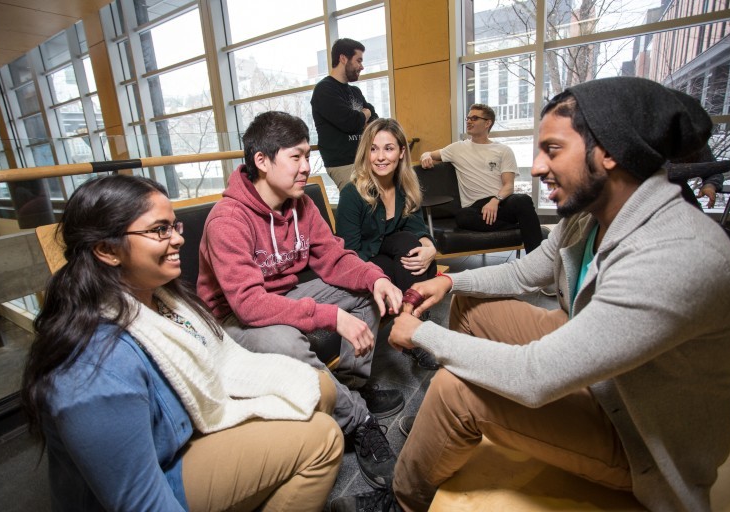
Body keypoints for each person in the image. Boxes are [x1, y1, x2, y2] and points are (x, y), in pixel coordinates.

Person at [371, 77, 730, 512]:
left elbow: (536, 376)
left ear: (608, 152)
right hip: (599, 365)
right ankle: (445, 427)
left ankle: (405, 499)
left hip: (639, 439)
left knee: (456, 389)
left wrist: (421, 335)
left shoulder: (679, 255)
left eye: (552, 149)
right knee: (470, 307)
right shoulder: (590, 214)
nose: (535, 168)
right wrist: (451, 281)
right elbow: (531, 270)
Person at [21, 174, 344, 512]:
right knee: (322, 437)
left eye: (175, 227)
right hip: (163, 474)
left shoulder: (159, 297)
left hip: (183, 430)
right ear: (106, 249)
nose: (177, 240)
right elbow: (139, 502)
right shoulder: (94, 369)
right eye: (160, 230)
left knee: (320, 387)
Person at [197, 111, 404, 489]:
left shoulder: (302, 205)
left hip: (284, 295)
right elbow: (248, 305)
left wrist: (376, 277)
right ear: (262, 161)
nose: (307, 167)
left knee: (367, 292)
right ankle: (358, 421)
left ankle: (348, 385)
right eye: (296, 157)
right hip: (233, 319)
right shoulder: (227, 220)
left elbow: (335, 258)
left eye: (308, 156)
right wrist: (328, 316)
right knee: (283, 340)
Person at [336, 118, 439, 371]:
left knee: (409, 243)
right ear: (365, 153)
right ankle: (417, 333)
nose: (380, 157)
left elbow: (416, 226)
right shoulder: (352, 193)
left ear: (402, 152)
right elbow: (349, 253)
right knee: (407, 260)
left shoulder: (404, 185)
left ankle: (410, 327)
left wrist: (429, 247)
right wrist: (379, 277)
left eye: (388, 148)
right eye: (373, 148)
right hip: (363, 265)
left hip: (392, 256)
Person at [419, 103, 543, 252]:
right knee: (462, 217)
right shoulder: (457, 148)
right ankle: (522, 227)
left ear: (487, 123)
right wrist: (425, 155)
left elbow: (509, 185)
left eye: (475, 118)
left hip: (500, 202)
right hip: (475, 208)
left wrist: (495, 200)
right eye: (468, 118)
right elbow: (430, 154)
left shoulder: (503, 150)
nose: (469, 121)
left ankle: (535, 256)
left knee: (522, 199)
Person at [311, 38, 378, 192]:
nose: (362, 66)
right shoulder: (325, 90)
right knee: (358, 206)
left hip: (364, 160)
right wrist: (364, 114)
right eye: (358, 60)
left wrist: (364, 116)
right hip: (343, 164)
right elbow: (350, 123)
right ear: (343, 58)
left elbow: (374, 119)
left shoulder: (355, 91)